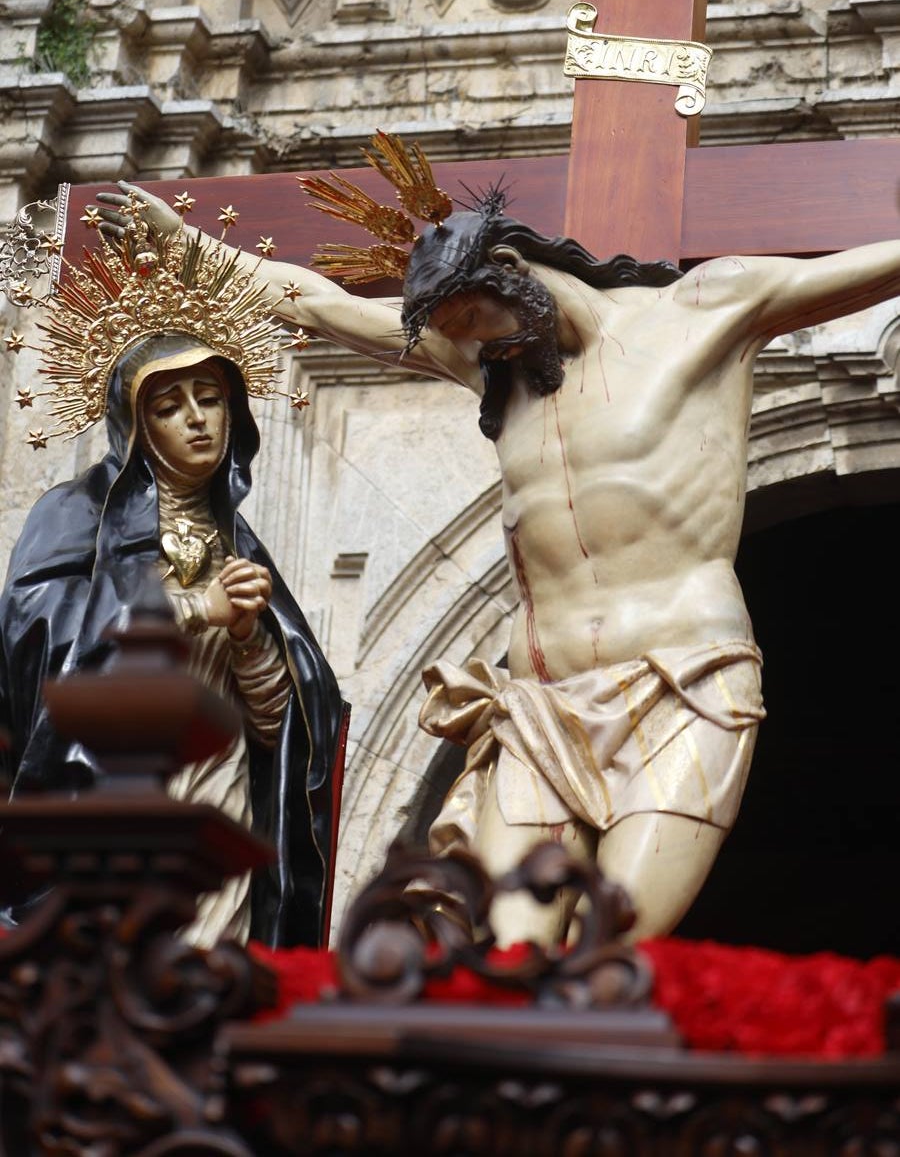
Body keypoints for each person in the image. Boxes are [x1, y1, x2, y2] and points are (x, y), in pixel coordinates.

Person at [96, 146, 900, 946]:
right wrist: (188, 246)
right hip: (540, 709)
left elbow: (867, 270)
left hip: (681, 682)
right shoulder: (489, 366)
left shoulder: (705, 311)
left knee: (609, 947)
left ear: (512, 272)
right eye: (454, 333)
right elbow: (316, 303)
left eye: (476, 320)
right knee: (507, 958)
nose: (477, 346)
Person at [0, 232, 347, 950]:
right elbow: (39, 635)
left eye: (210, 398)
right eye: (170, 404)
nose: (196, 418)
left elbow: (280, 727)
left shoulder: (242, 546)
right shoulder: (76, 514)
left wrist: (252, 638)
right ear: (136, 425)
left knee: (205, 980)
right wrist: (196, 610)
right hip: (112, 785)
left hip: (218, 789)